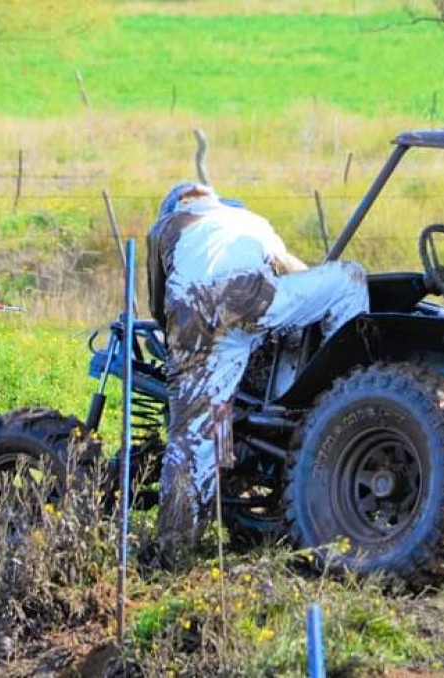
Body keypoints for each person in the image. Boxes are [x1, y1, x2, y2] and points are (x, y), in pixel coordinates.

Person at [147, 181, 369, 566]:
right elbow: (295, 272)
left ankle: (173, 550)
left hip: (191, 312)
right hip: (254, 298)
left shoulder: (167, 227)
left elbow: (155, 300)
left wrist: (182, 345)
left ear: (174, 206)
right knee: (348, 279)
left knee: (192, 438)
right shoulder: (249, 219)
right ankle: (350, 394)